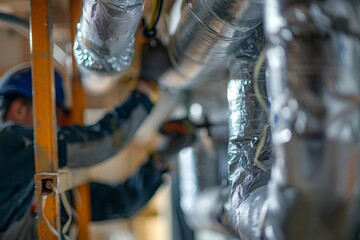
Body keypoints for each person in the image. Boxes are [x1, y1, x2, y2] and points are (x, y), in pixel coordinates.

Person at [0, 63, 192, 239]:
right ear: (19, 110)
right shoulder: (6, 142)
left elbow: (119, 201)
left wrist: (160, 159)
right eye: (53, 116)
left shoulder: (38, 192)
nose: (56, 127)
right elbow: (102, 141)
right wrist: (147, 86)